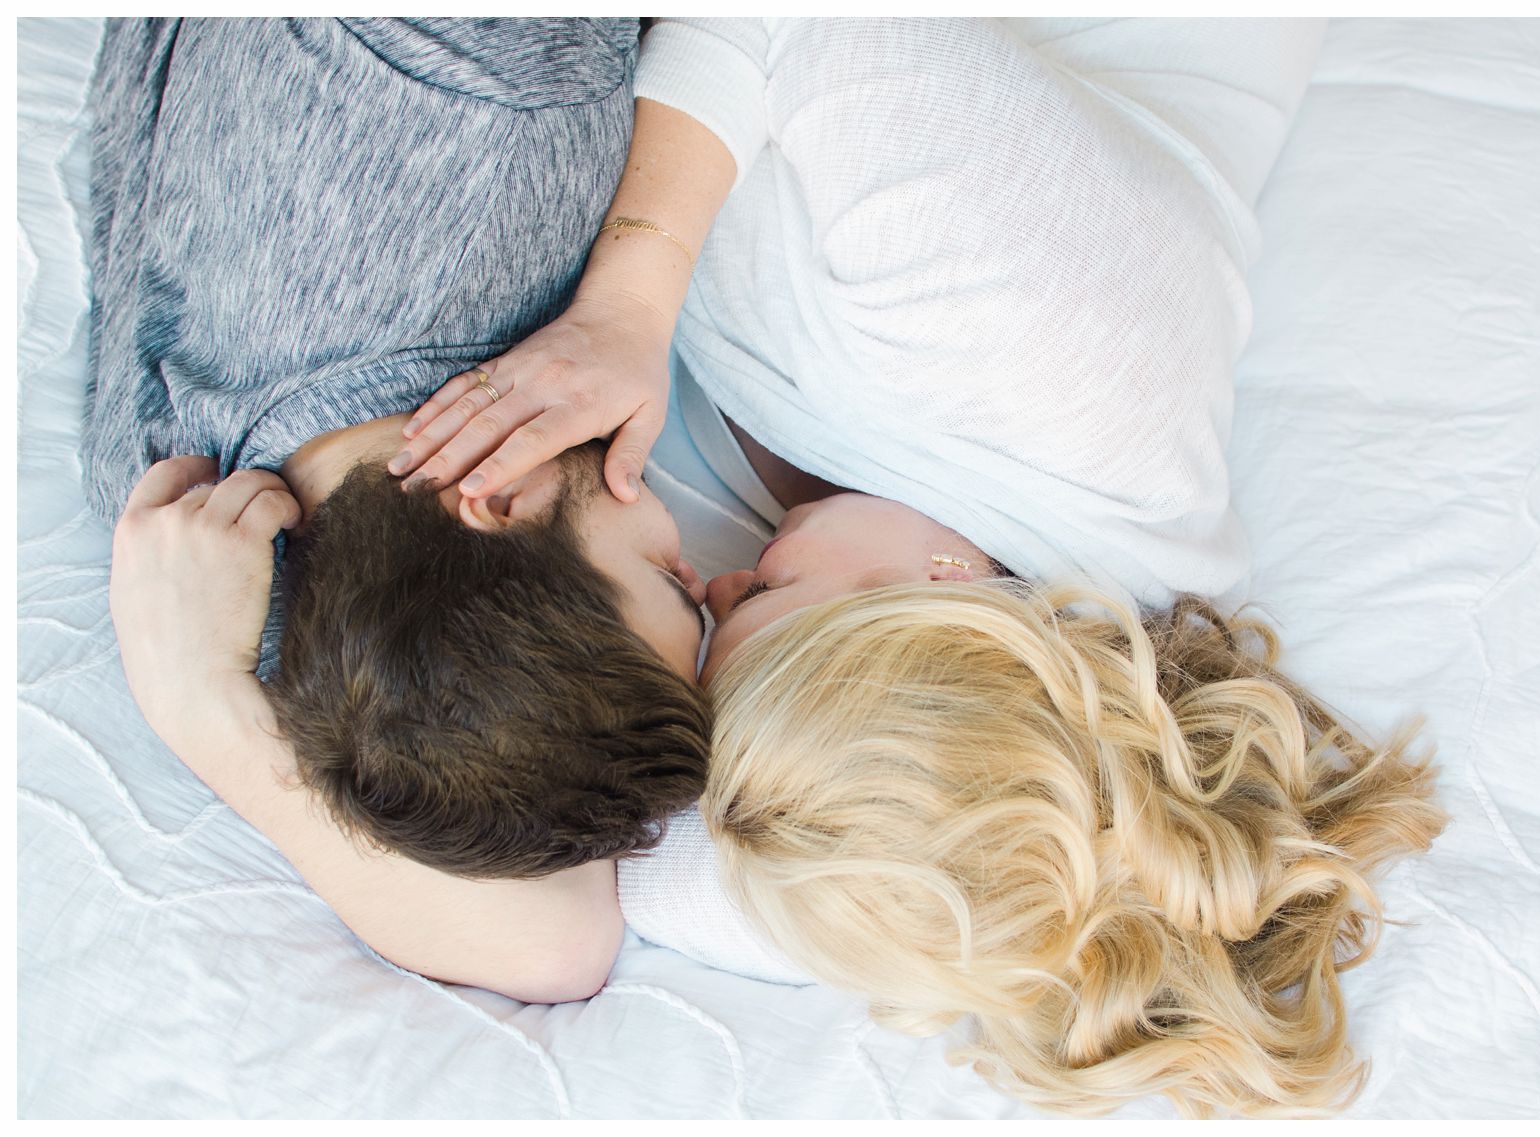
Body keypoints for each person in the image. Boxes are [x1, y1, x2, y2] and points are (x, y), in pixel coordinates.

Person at [113, 16, 1447, 1116]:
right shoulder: (1074, 371)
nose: (715, 585)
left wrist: (218, 722)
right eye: (764, 595)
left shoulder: (873, 783)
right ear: (942, 580)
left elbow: (562, 936)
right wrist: (630, 303)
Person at [90, 17, 720, 1000]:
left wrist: (641, 287)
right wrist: (199, 705)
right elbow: (553, 949)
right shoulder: (224, 554)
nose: (703, 568)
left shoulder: (486, 89)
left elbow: (555, 950)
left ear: (499, 497)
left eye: (667, 583)